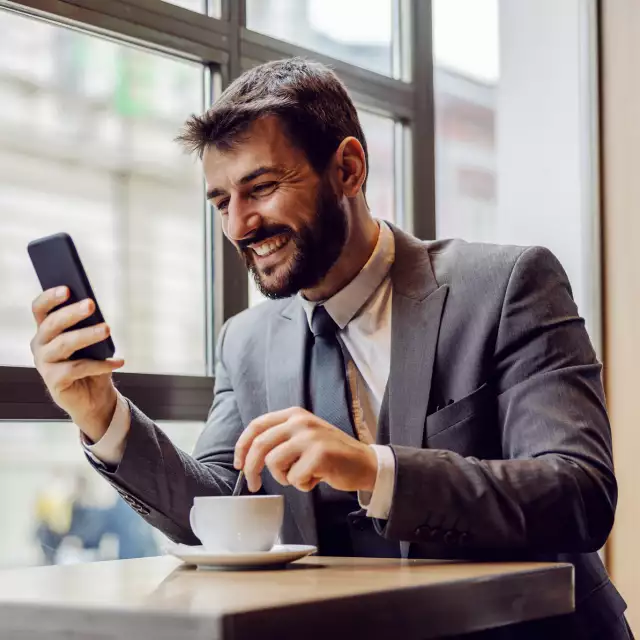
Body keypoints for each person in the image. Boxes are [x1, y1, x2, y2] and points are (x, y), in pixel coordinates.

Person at [30, 58, 631, 638]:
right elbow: (213, 511)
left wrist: (372, 468)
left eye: (260, 188)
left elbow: (578, 491)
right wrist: (100, 413)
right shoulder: (245, 340)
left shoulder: (508, 286)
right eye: (220, 202)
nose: (239, 225)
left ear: (348, 168)